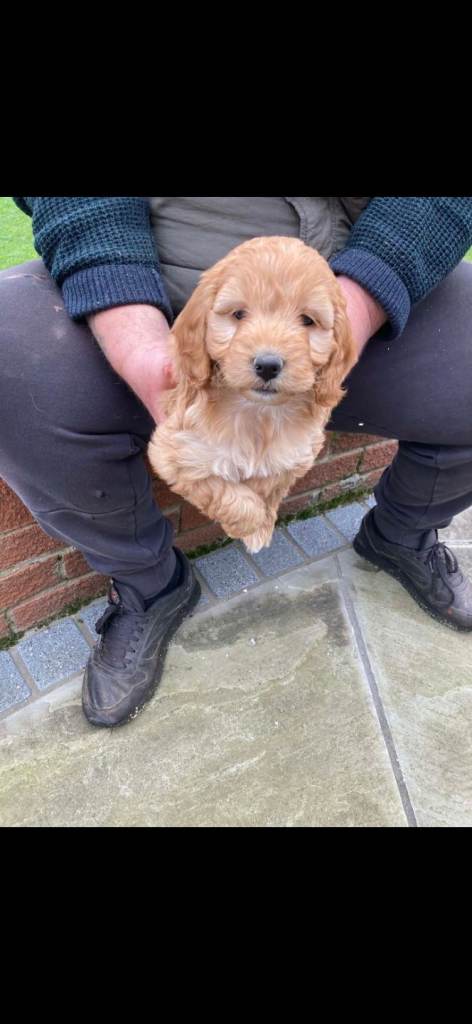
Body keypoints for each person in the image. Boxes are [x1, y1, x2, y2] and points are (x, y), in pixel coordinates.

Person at [2, 196, 472, 729]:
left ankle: (401, 534)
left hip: (357, 281)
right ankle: (150, 584)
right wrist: (131, 332)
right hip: (151, 275)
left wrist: (348, 315)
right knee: (8, 350)